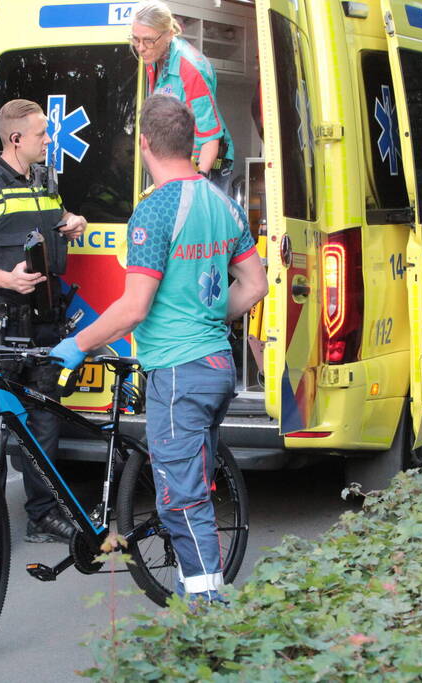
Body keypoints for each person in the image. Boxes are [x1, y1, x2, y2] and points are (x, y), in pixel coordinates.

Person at [51, 95, 267, 602]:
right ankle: (206, 599)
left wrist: (77, 344)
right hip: (216, 367)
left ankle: (207, 612)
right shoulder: (223, 203)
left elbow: (134, 308)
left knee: (181, 503)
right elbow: (254, 285)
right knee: (195, 488)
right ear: (191, 142)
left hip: (178, 371)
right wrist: (211, 316)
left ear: (144, 143)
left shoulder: (155, 208)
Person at [0, 99, 87, 544]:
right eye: (43, 134)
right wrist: (5, 278)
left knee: (44, 423)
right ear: (15, 139)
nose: (50, 140)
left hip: (45, 321)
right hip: (0, 325)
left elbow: (58, 219)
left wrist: (74, 221)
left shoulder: (45, 182)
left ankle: (43, 515)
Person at [131, 0, 235, 192]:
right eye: (135, 39)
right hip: (178, 163)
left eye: (148, 40)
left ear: (169, 34)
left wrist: (198, 183)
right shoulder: (154, 56)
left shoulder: (191, 70)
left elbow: (211, 139)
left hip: (208, 162)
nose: (141, 48)